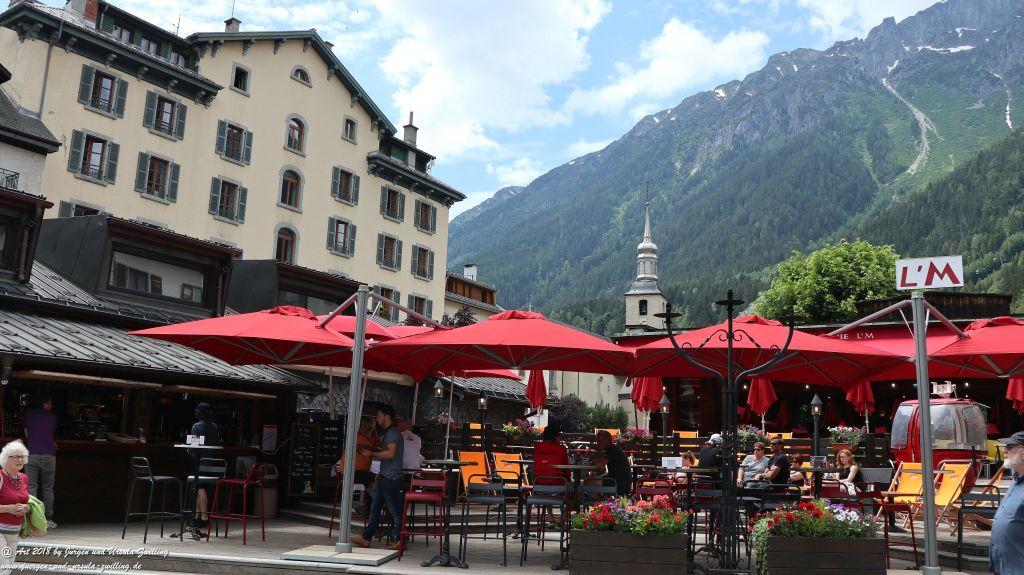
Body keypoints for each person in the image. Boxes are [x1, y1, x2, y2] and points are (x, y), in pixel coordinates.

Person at [351, 405, 403, 550]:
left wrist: (372, 454)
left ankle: (399, 539)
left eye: (379, 416)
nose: (377, 419)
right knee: (375, 508)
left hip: (391, 478)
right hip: (387, 475)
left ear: (386, 416)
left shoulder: (392, 433)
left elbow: (391, 453)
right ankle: (366, 538)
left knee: (395, 511)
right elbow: (390, 454)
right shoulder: (390, 433)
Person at [991, 431, 1024, 575]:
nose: (1004, 450)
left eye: (1010, 447)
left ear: (1023, 453)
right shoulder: (1016, 481)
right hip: (1004, 566)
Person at [22, 396, 57, 529]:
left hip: (32, 454)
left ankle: (32, 520)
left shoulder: (28, 416)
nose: (51, 405)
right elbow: (49, 434)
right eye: (50, 402)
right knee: (48, 489)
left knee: (31, 488)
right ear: (44, 403)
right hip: (49, 454)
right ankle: (48, 519)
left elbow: (27, 434)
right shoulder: (52, 417)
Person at [0, 440, 33, 575]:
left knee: (8, 568)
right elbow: (11, 506)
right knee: (5, 568)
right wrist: (9, 509)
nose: (20, 460)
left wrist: (27, 508)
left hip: (14, 533)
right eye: (16, 457)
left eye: (22, 456)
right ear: (6, 459)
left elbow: (27, 502)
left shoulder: (24, 478)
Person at [189, 403, 220, 535]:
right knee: (202, 487)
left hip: (199, 461)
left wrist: (189, 450)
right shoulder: (214, 426)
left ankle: (204, 517)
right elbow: (216, 443)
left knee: (200, 488)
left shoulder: (196, 426)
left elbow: (194, 446)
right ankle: (195, 518)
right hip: (211, 462)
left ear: (199, 412)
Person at [335, 418, 376, 512]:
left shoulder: (364, 438)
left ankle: (368, 506)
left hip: (352, 472)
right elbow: (374, 449)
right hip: (352, 473)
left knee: (373, 479)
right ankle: (373, 504)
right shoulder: (359, 438)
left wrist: (373, 435)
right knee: (377, 479)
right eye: (370, 428)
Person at [592, 430, 631, 495]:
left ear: (607, 440)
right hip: (623, 483)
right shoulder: (613, 449)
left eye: (599, 441)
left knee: (590, 483)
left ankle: (594, 503)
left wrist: (597, 451)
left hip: (619, 484)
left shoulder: (611, 450)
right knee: (593, 481)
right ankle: (598, 501)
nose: (597, 443)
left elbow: (599, 465)